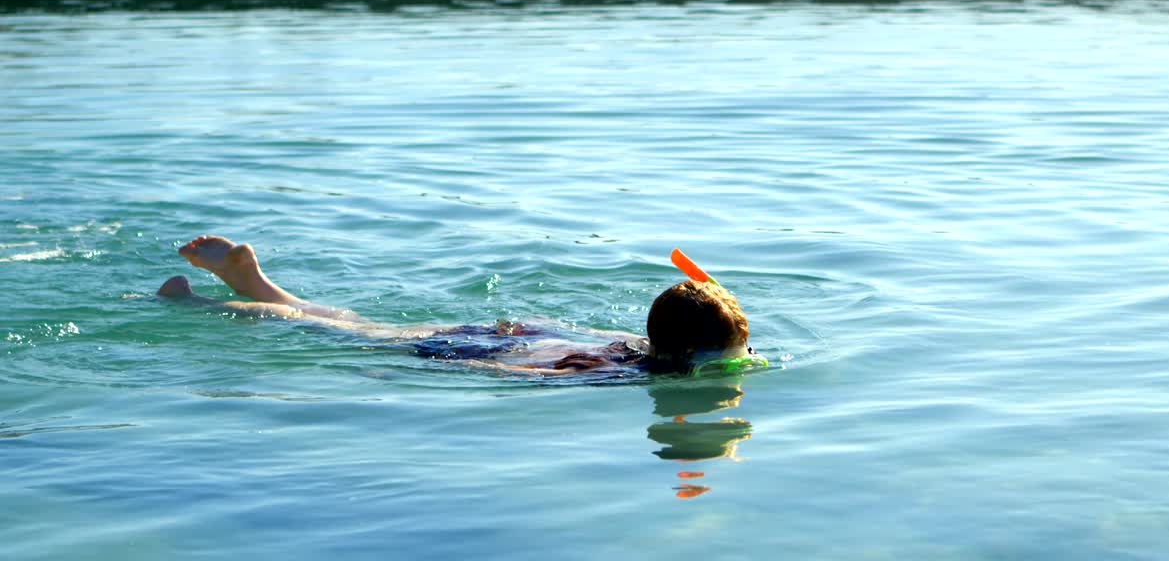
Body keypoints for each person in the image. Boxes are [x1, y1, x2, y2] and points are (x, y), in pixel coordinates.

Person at [157, 235, 765, 376]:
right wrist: (465, 365)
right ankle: (202, 302)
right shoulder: (617, 374)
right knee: (356, 336)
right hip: (477, 348)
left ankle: (255, 281)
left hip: (502, 330)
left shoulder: (639, 350)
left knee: (359, 324)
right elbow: (533, 374)